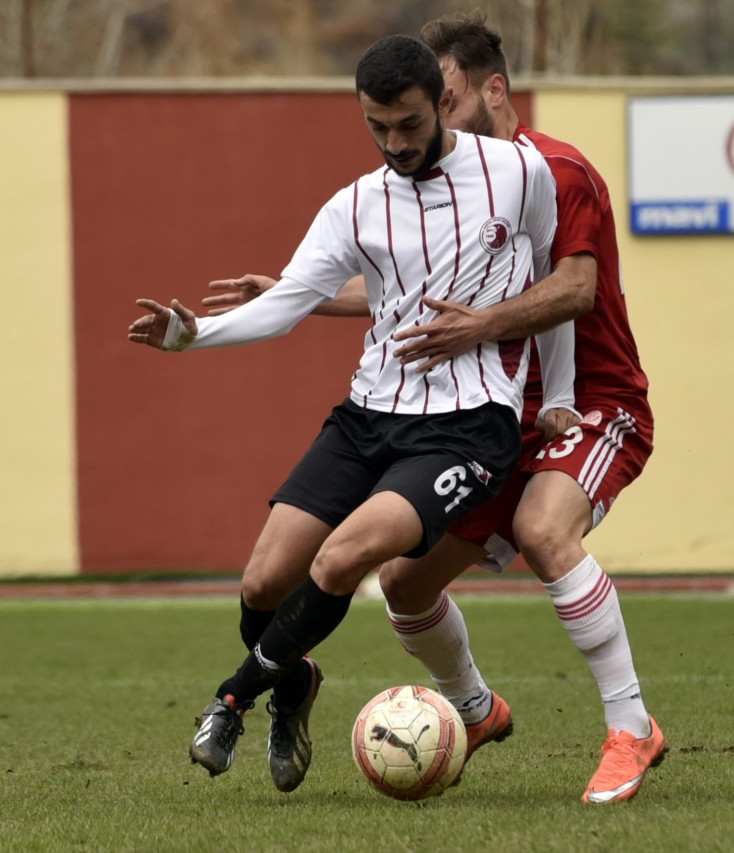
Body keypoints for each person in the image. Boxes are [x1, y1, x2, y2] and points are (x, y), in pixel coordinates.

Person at [203, 11, 664, 805]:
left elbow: (574, 290)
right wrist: (295, 296)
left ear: (489, 91)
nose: (420, 134)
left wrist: (498, 344)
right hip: (489, 413)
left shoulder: (551, 171)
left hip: (589, 401)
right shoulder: (418, 189)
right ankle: (477, 713)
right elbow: (414, 294)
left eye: (439, 106)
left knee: (542, 530)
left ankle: (631, 727)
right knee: (406, 586)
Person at [128, 35, 561, 791]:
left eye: (410, 124)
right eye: (378, 127)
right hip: (368, 416)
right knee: (263, 582)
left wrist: (556, 396)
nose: (396, 143)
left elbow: (551, 287)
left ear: (441, 103)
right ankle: (292, 686)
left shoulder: (519, 172)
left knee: (341, 559)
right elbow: (287, 304)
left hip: (467, 424)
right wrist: (191, 339)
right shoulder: (354, 205)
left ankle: (231, 699)